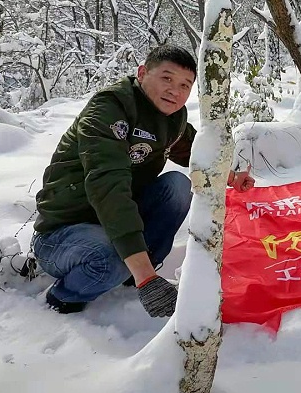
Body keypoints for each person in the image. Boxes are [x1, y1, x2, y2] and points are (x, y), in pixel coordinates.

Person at [31, 44, 255, 317]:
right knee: (110, 258)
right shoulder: (108, 111)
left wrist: (231, 176)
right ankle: (63, 297)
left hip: (113, 221)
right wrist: (144, 275)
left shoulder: (173, 118)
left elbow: (197, 154)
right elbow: (108, 187)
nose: (175, 90)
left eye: (185, 85)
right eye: (167, 78)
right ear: (142, 73)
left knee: (177, 186)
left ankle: (133, 273)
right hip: (64, 231)